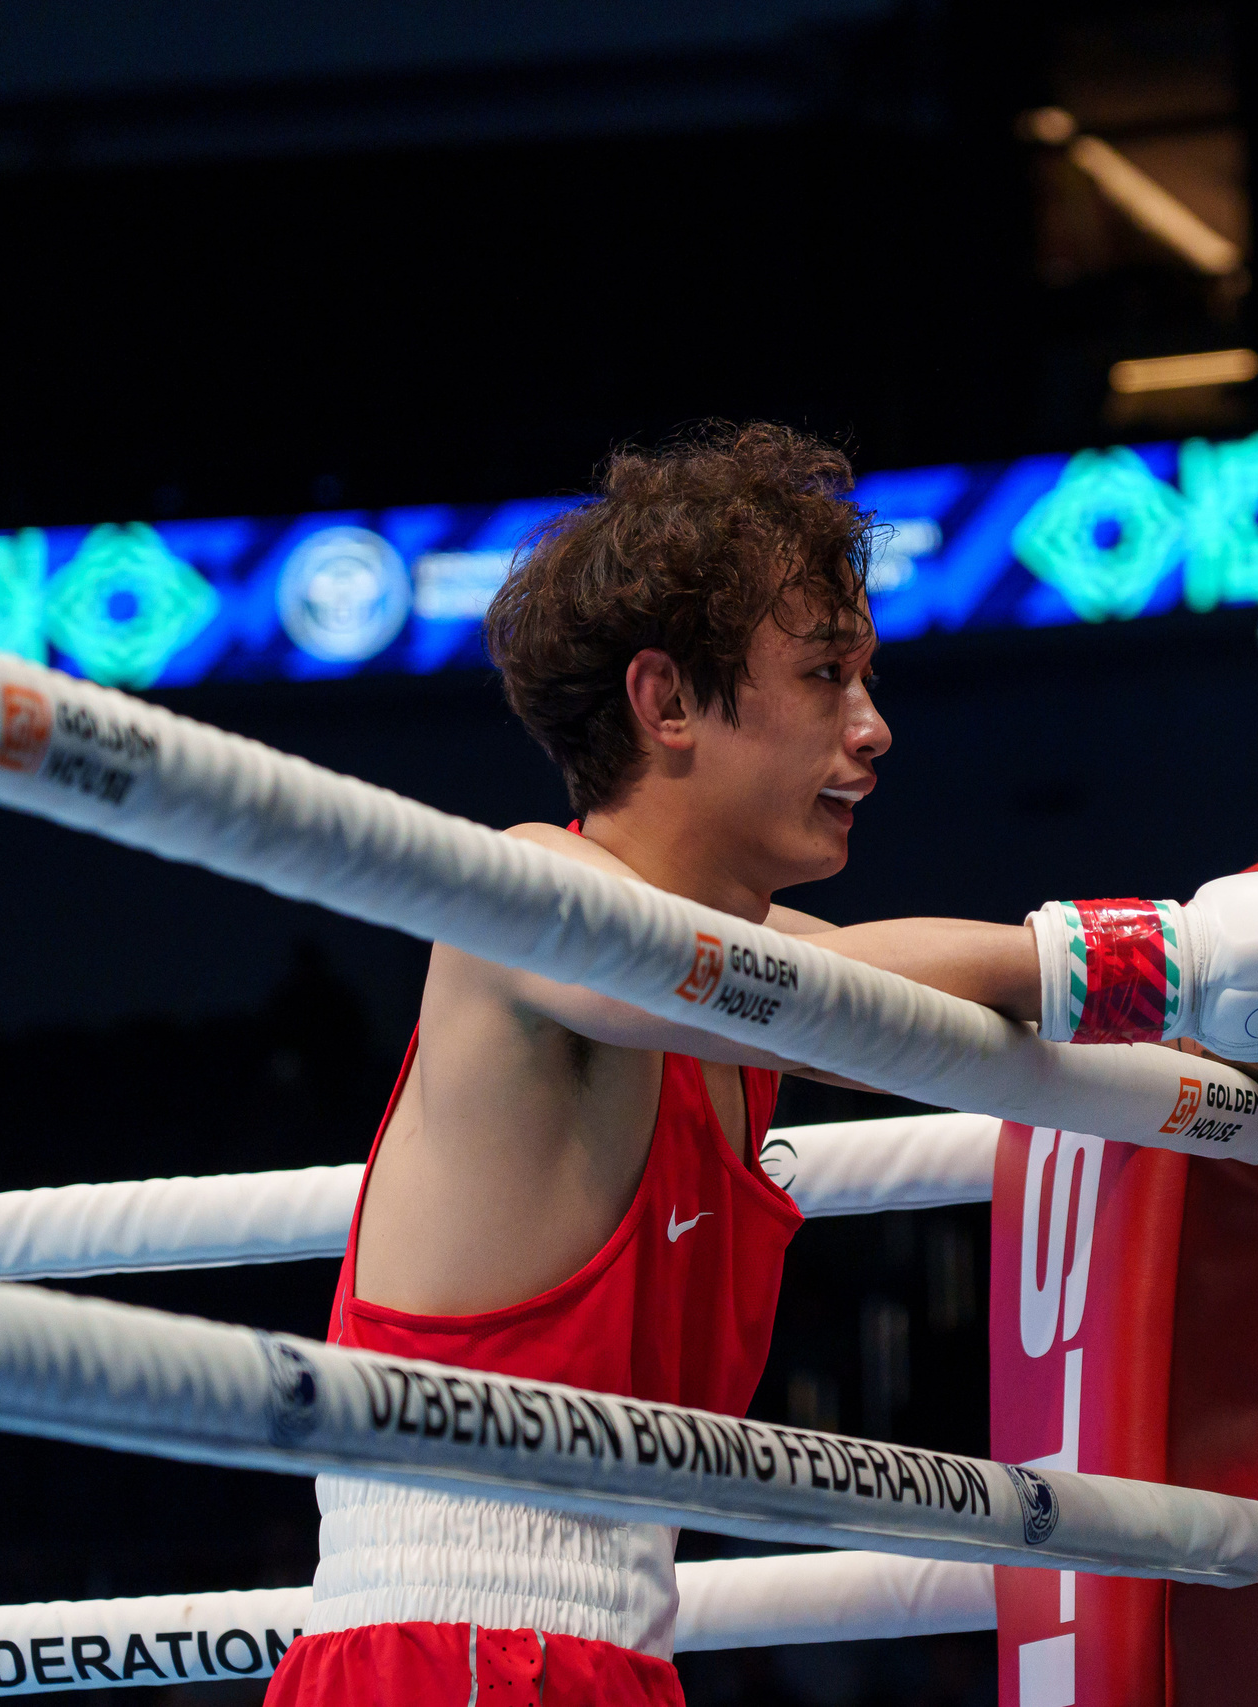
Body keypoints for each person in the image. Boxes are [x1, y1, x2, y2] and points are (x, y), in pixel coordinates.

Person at [268, 424, 1045, 1707]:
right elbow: (657, 973)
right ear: (667, 701)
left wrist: (1175, 965)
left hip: (606, 1648)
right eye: (826, 675)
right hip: (450, 1651)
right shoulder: (522, 897)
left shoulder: (780, 981)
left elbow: (901, 975)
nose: (875, 730)